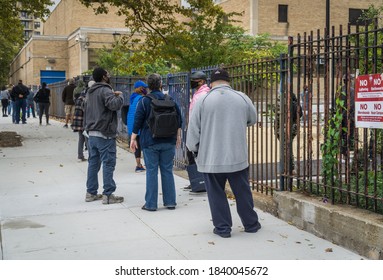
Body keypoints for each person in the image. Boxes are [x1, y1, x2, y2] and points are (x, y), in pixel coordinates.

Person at [186, 68, 261, 238]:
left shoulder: (203, 100)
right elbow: (253, 119)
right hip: (237, 156)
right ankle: (251, 224)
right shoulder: (242, 97)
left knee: (216, 194)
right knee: (243, 192)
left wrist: (194, 149)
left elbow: (193, 132)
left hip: (211, 157)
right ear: (228, 81)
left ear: (211, 83)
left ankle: (223, 228)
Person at [130, 73, 182, 211]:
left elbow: (137, 121)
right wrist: (178, 136)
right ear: (161, 84)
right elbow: (179, 119)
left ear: (148, 86)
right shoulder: (170, 99)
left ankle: (151, 204)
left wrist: (133, 138)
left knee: (151, 171)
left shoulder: (144, 101)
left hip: (150, 141)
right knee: (167, 170)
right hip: (169, 140)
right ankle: (170, 202)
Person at [84, 67, 124, 204]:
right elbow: (114, 105)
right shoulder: (105, 90)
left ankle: (91, 193)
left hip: (92, 134)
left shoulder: (90, 92)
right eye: (107, 74)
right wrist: (120, 96)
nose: (109, 75)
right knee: (108, 163)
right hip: (104, 133)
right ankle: (108, 194)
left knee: (93, 164)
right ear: (103, 77)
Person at [185, 71, 210, 194]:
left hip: (198, 130)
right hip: (193, 129)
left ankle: (200, 182)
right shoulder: (197, 93)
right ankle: (195, 181)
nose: (192, 82)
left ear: (201, 81)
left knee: (196, 156)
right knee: (191, 156)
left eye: (194, 80)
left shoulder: (204, 94)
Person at [127, 80, 148, 172]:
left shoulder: (133, 97)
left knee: (136, 145)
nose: (146, 89)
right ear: (140, 89)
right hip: (138, 125)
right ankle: (146, 164)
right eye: (144, 88)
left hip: (132, 124)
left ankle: (138, 165)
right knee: (144, 144)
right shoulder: (141, 98)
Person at [72, 80, 93, 161]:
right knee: (87, 138)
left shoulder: (80, 97)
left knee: (81, 139)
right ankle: (91, 156)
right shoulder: (87, 99)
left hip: (78, 121)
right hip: (84, 121)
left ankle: (80, 156)